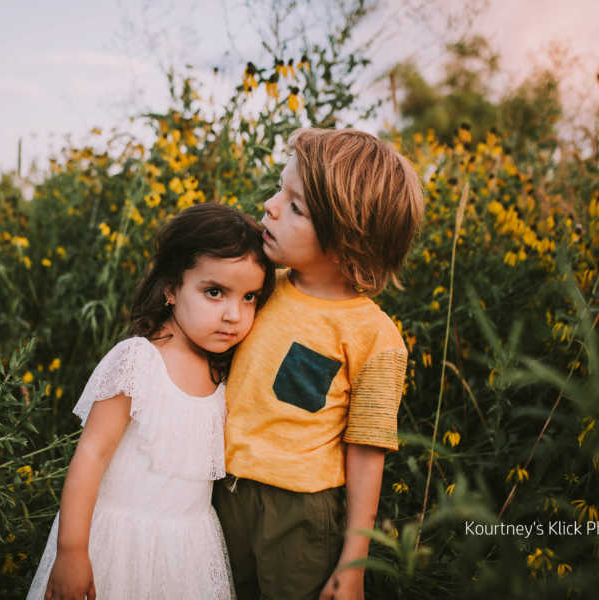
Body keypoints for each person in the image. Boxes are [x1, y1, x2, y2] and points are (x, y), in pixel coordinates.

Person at [213, 128, 424, 600]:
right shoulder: (258, 288)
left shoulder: (375, 338)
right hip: (222, 493)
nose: (269, 206)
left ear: (347, 240)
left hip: (300, 516)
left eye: (295, 207)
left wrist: (353, 566)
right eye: (278, 190)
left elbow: (367, 453)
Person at [27, 202, 275, 600]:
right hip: (118, 546)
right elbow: (90, 455)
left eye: (249, 297)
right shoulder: (139, 360)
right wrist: (72, 551)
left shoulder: (225, 372)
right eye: (215, 292)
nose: (234, 314)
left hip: (188, 551)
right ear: (171, 288)